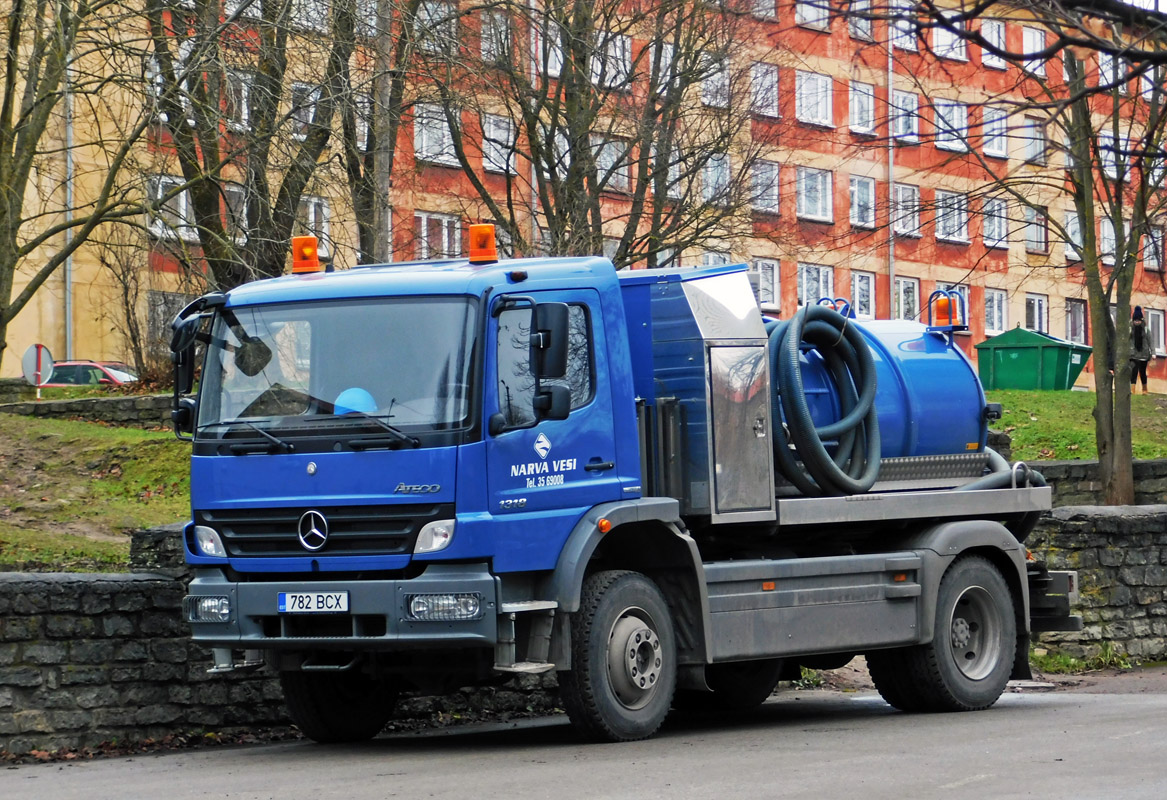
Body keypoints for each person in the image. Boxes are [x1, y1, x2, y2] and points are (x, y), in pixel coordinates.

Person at [1130, 306, 1152, 394]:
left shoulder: (1146, 330)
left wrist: (1153, 352)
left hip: (1144, 355)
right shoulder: (1130, 329)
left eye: (1138, 320)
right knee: (1133, 372)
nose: (1137, 322)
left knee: (1142, 372)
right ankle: (1132, 389)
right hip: (1133, 355)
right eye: (1135, 320)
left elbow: (1151, 341)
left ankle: (1144, 390)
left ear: (1141, 320)